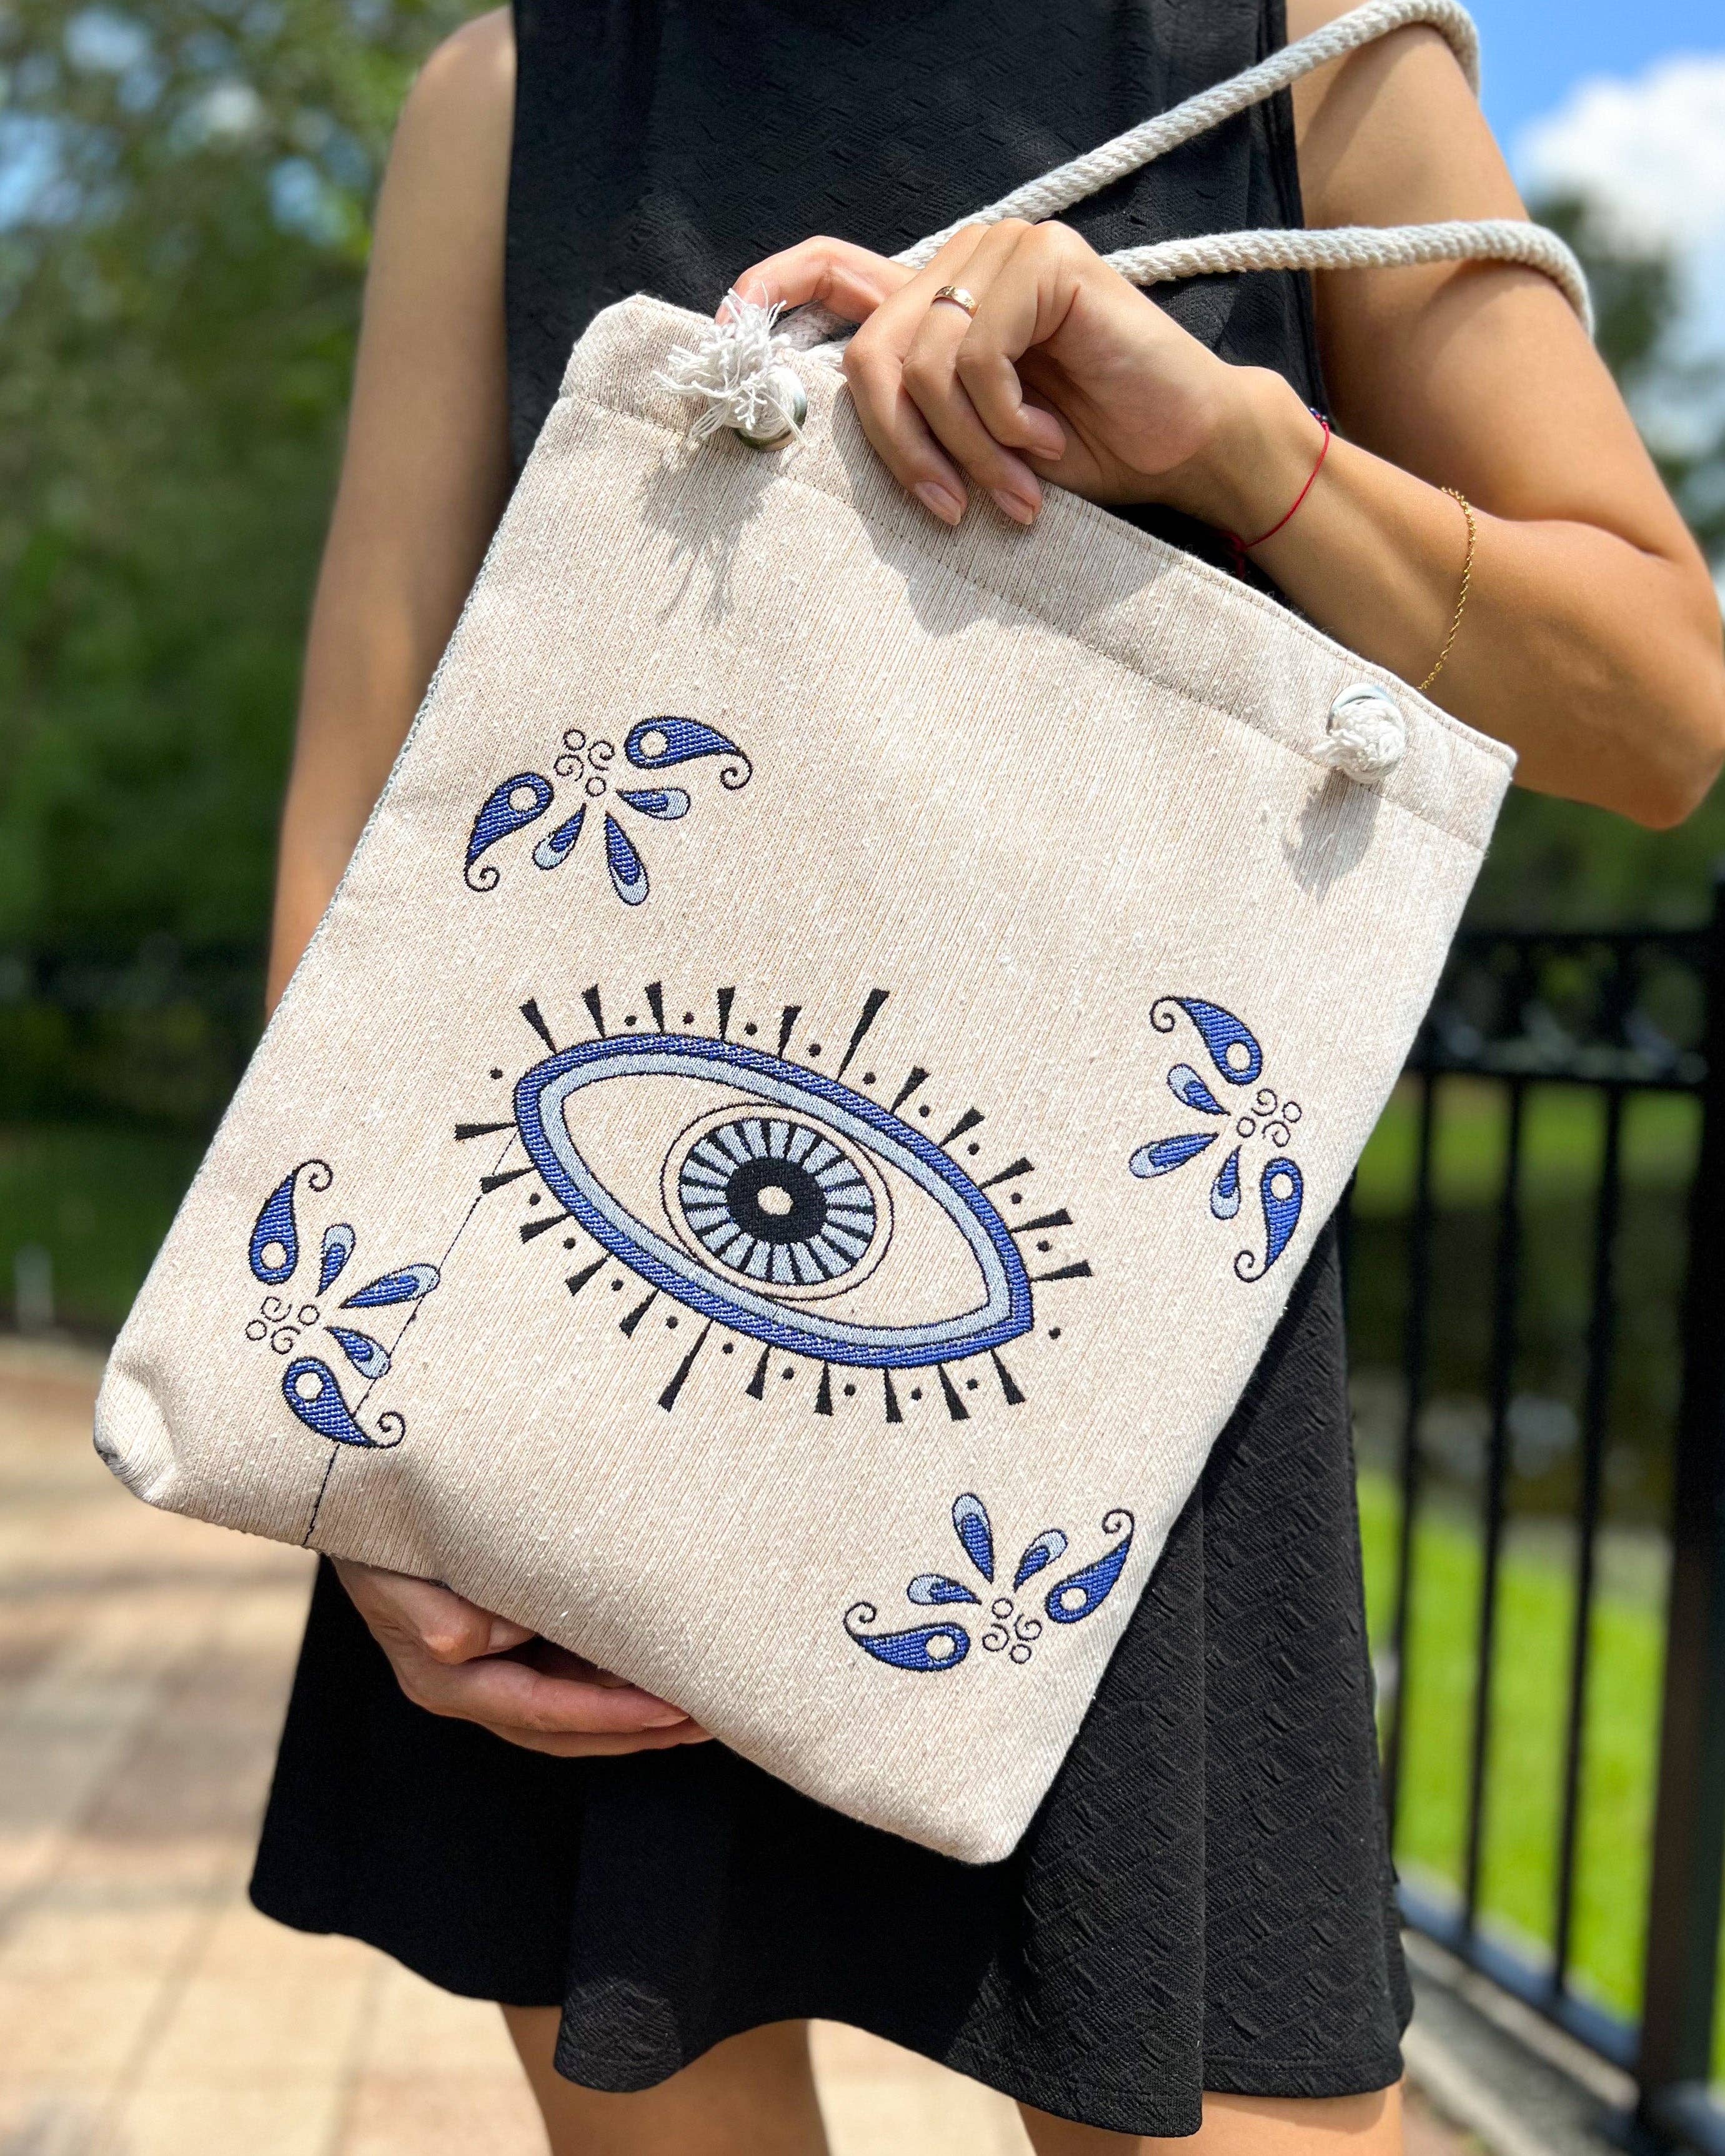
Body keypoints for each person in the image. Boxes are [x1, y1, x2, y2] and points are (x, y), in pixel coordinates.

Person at [247, 2, 1725, 2151]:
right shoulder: (514, 88)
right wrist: (344, 1439)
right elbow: (360, 812)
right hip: (568, 1346)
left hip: (1126, 1416)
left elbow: (1661, 713)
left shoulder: (1303, 50)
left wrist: (1238, 449)